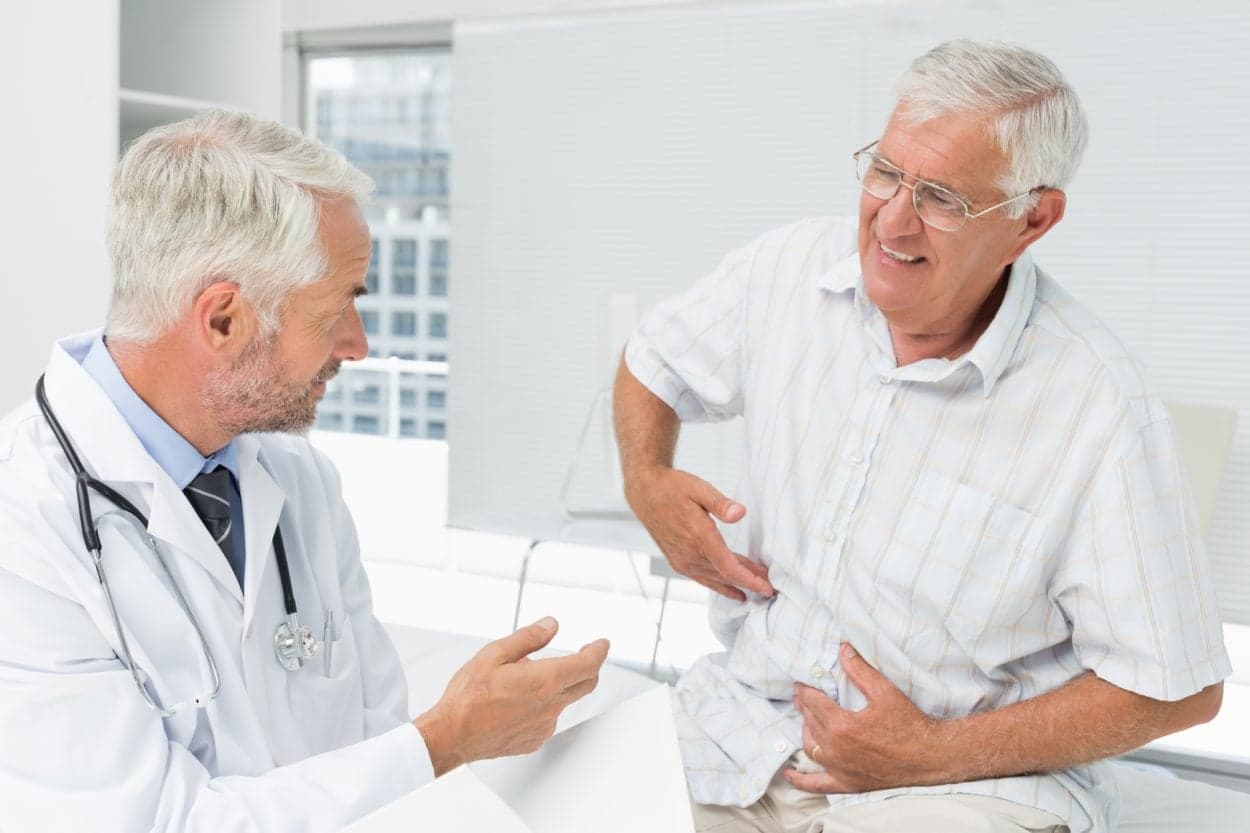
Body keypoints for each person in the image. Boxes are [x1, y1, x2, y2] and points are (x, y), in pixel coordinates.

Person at [614, 39, 1245, 833]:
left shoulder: (1100, 408)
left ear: (1032, 217)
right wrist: (646, 477)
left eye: (943, 197)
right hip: (743, 734)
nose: (893, 218)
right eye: (885, 171)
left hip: (958, 789)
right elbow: (652, 358)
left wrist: (931, 752)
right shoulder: (784, 271)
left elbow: (1177, 684)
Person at [0, 110, 609, 833]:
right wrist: (450, 738)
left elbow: (376, 743)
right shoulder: (26, 525)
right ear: (222, 319)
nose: (359, 344)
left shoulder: (300, 482)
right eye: (338, 307)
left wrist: (445, 745)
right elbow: (153, 823)